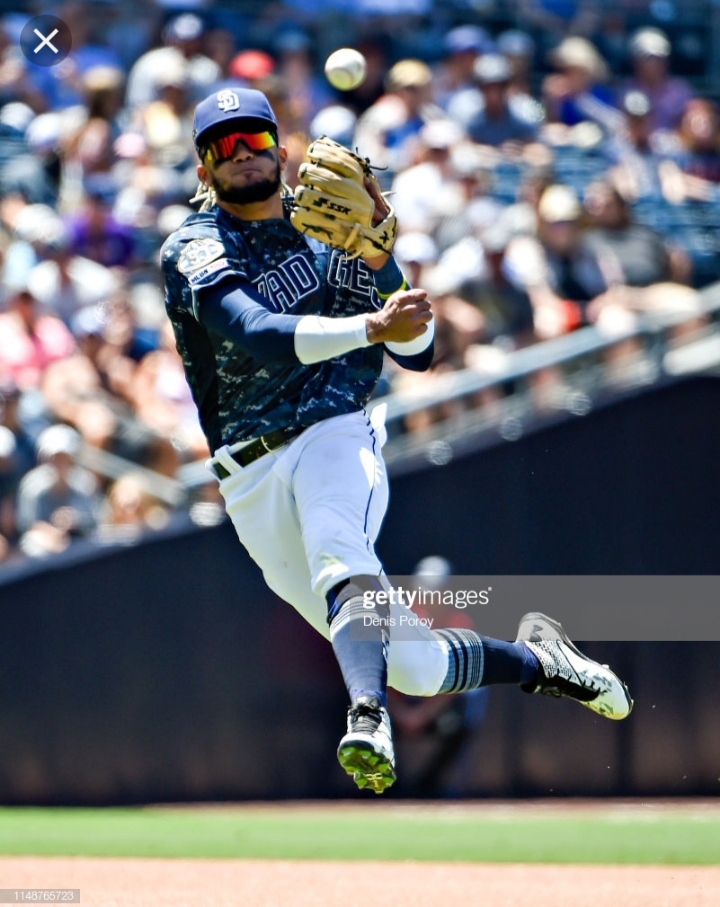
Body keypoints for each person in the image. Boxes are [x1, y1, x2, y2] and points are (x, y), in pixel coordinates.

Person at [160, 87, 633, 794]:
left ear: (280, 147)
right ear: (203, 167)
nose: (243, 155)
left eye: (254, 138)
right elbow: (257, 333)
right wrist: (369, 326)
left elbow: (423, 351)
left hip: (336, 430)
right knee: (416, 664)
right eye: (223, 146)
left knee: (336, 548)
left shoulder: (331, 225)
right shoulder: (194, 246)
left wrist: (384, 260)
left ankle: (367, 714)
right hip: (248, 477)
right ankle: (542, 662)